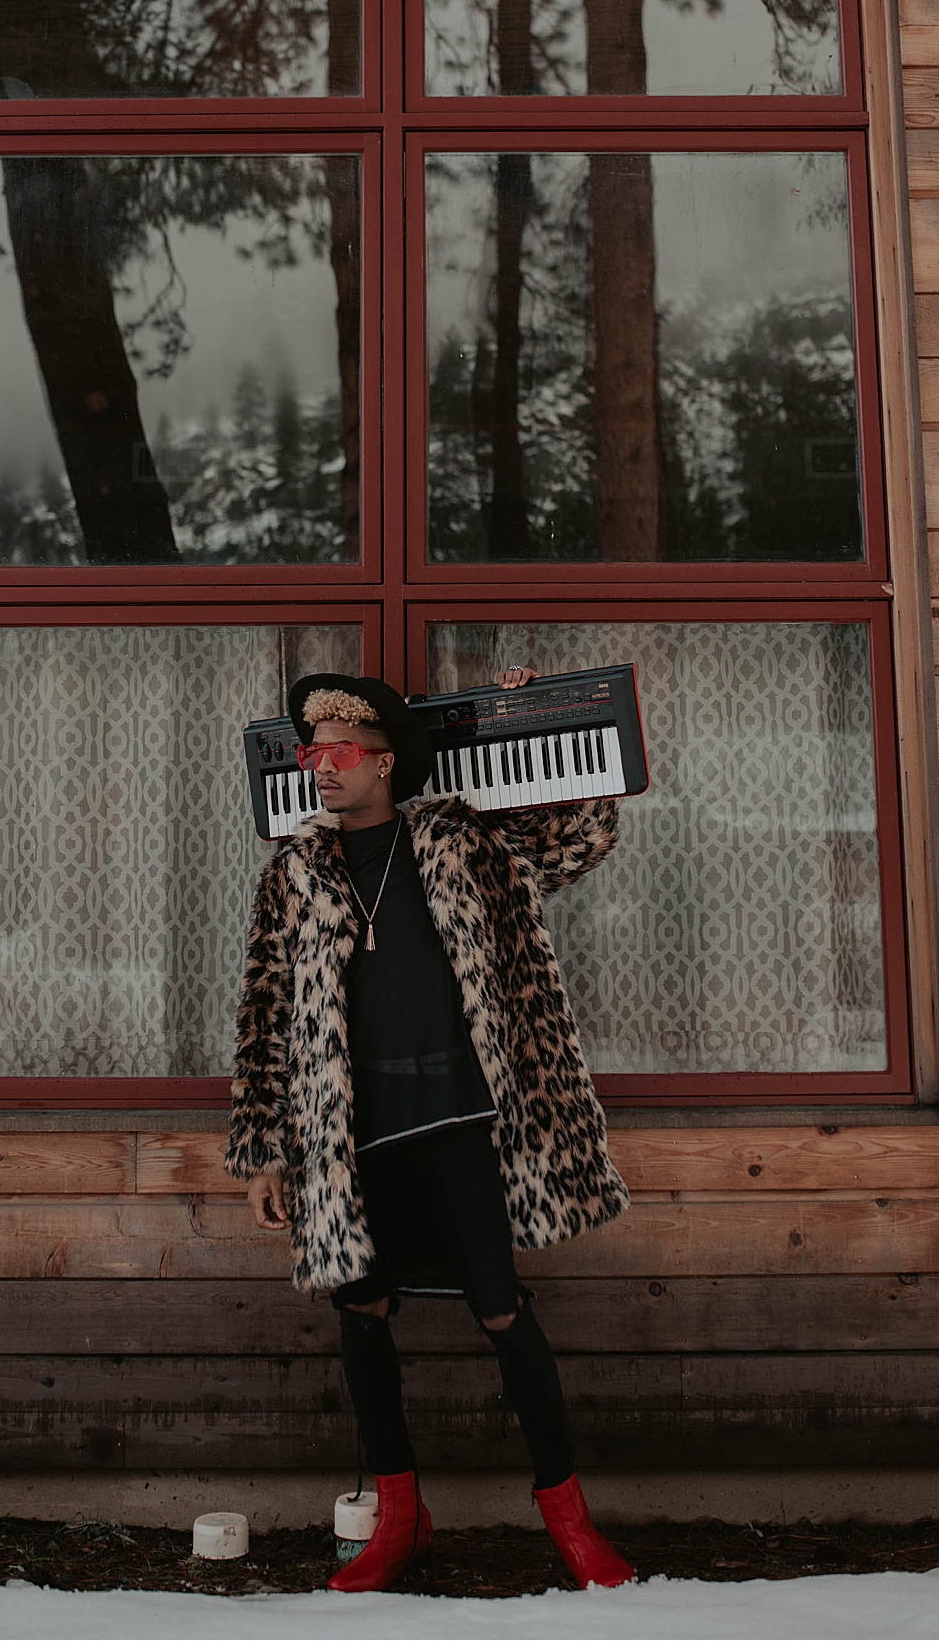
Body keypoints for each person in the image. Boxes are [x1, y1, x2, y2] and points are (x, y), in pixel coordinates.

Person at [226, 669, 635, 1593]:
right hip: (350, 1133)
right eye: (308, 752)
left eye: (336, 752)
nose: (317, 768)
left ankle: (571, 1524)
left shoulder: (463, 842)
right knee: (361, 1313)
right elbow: (262, 1015)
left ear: (384, 763)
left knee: (501, 1309)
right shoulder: (292, 873)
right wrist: (264, 1151)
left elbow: (584, 837)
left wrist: (548, 718)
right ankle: (400, 1522)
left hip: (460, 1116)